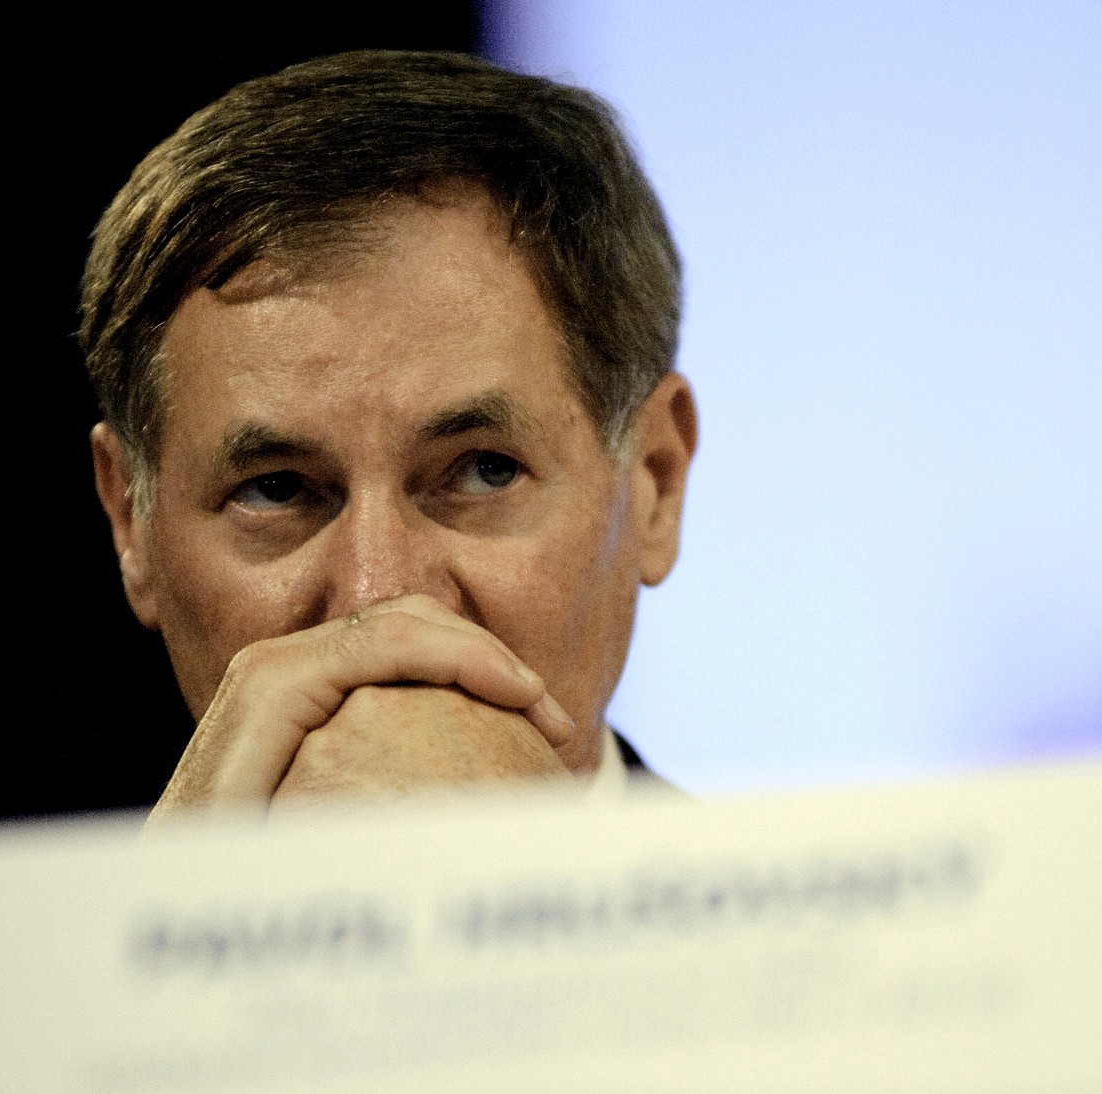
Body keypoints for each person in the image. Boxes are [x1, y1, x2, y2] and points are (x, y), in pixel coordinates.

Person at [79, 51, 698, 817]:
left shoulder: (825, 902)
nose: (380, 600)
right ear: (131, 519)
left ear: (655, 484)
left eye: (484, 471)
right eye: (277, 489)